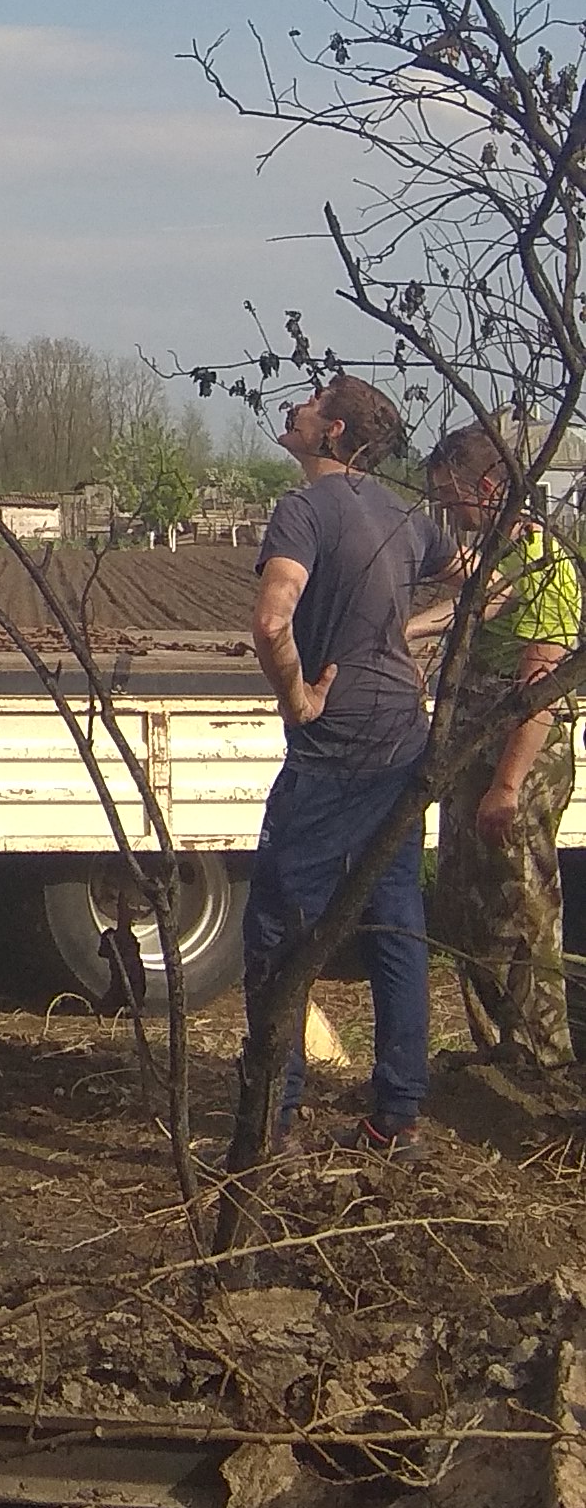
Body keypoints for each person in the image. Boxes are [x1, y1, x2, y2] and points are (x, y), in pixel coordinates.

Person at [244, 377, 456, 1155]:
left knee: (278, 928)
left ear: (330, 432)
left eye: (306, 404)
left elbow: (272, 621)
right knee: (396, 921)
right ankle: (396, 1119)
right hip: (402, 735)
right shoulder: (403, 512)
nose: (291, 409)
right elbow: (491, 582)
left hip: (334, 749)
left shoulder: (302, 511)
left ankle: (272, 1122)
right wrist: (409, 638)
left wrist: (298, 696)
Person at [424, 426, 581, 1085]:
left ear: (487, 488)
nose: (447, 513)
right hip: (476, 755)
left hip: (518, 763)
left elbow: (537, 692)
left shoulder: (550, 569)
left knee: (519, 912)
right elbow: (468, 607)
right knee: (466, 906)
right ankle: (497, 1052)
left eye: (450, 497)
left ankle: (544, 1064)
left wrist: (507, 786)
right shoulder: (502, 554)